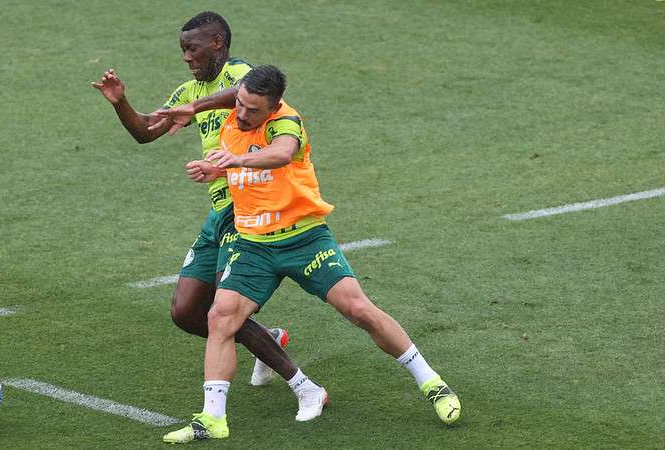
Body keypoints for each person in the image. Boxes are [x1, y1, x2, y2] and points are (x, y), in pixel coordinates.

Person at [161, 65, 461, 443]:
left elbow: (280, 156)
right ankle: (213, 419)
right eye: (239, 103)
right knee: (221, 318)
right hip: (252, 242)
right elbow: (244, 171)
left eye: (253, 109)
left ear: (274, 107)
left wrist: (234, 162)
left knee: (358, 310)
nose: (241, 113)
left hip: (304, 238)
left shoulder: (287, 124)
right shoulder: (233, 122)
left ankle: (432, 384)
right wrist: (214, 170)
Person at [91, 13, 322, 405]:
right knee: (186, 311)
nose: (186, 57)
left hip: (248, 206)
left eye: (192, 48)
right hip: (218, 213)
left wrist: (196, 107)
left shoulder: (242, 76)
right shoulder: (188, 91)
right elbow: (146, 131)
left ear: (217, 42)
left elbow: (241, 95)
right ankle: (269, 339)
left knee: (223, 308)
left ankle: (304, 386)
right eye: (182, 49)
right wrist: (121, 103)